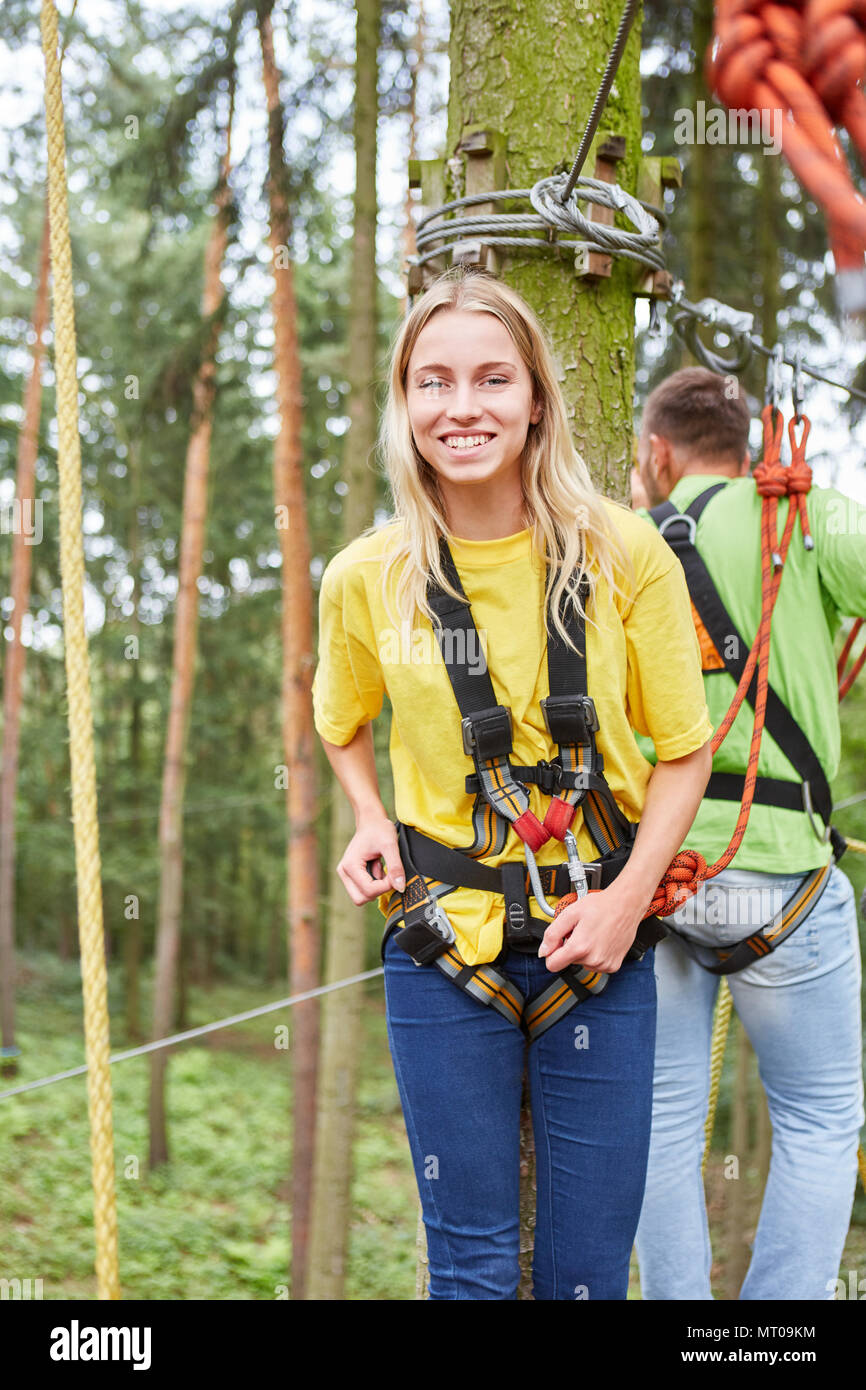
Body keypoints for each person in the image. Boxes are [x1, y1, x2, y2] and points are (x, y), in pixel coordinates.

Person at [311, 269, 713, 1301]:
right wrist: (366, 814)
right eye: (431, 383)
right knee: (472, 1268)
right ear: (404, 406)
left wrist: (626, 904)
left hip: (600, 946)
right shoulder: (370, 575)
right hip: (445, 950)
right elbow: (340, 720)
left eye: (491, 379)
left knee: (584, 1276)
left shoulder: (624, 554)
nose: (461, 407)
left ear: (536, 397)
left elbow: (684, 747)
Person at [632, 366, 866, 1301]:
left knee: (658, 1128)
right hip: (783, 881)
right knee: (816, 1120)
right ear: (750, 447)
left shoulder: (629, 544)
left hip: (662, 874)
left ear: (657, 453)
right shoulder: (796, 518)